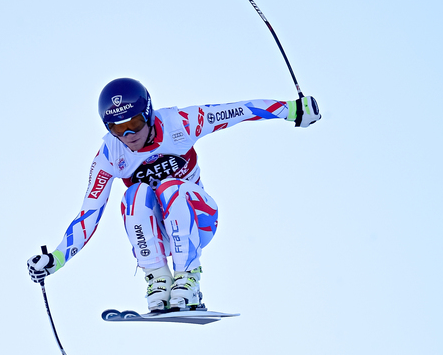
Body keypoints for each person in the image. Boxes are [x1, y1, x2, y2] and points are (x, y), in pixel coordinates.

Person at [27, 78, 320, 312]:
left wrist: (293, 111)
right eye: (118, 128)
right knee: (134, 195)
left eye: (135, 124)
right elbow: (89, 215)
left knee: (169, 187)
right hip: (158, 233)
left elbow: (239, 110)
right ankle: (157, 279)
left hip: (198, 219)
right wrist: (56, 259)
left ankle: (188, 278)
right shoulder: (109, 154)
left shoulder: (181, 122)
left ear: (148, 114)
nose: (129, 135)